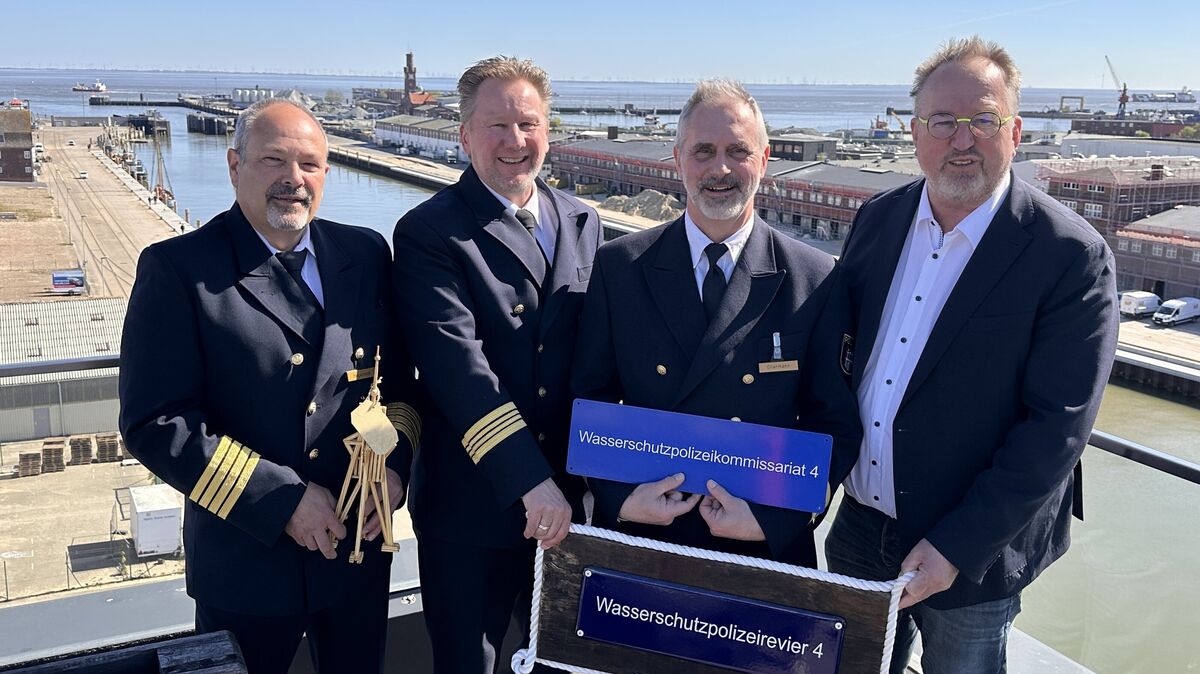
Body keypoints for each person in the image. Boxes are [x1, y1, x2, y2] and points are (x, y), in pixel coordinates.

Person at [826, 36, 1119, 673]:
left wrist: (956, 546)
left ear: (1014, 130)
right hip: (859, 527)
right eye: (943, 122)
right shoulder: (877, 219)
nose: (962, 139)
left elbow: (1057, 429)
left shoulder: (1070, 256)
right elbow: (838, 361)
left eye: (982, 119)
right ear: (914, 132)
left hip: (972, 546)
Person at [119, 98, 421, 674]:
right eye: (273, 161)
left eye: (309, 164)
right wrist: (282, 500)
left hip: (356, 550)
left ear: (327, 173)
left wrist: (391, 468)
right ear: (234, 165)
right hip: (246, 562)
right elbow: (156, 423)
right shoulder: (180, 269)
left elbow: (393, 385)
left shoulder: (363, 253)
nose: (293, 179)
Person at [571, 79, 860, 566]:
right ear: (678, 158)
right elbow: (586, 398)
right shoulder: (620, 267)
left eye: (737, 151)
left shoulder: (816, 278)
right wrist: (617, 497)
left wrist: (775, 519)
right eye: (703, 151)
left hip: (758, 546)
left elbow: (832, 423)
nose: (720, 168)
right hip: (642, 536)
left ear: (764, 160)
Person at [391, 56, 602, 673]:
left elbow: (598, 361)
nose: (516, 142)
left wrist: (597, 483)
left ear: (548, 129)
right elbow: (458, 368)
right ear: (464, 136)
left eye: (529, 124)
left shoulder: (582, 221)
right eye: (497, 126)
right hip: (473, 506)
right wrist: (531, 483)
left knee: (563, 663)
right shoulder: (431, 231)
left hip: (570, 502)